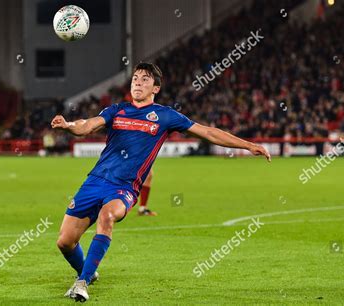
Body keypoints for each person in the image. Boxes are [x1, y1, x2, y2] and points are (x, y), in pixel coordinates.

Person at [51, 62, 271, 302]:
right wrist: (68, 125)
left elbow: (208, 132)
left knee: (108, 216)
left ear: (155, 88)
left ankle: (82, 282)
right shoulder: (117, 110)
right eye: (135, 78)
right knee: (65, 242)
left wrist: (248, 145)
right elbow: (87, 125)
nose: (137, 82)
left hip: (124, 187)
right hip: (95, 181)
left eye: (145, 79)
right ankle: (87, 272)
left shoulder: (165, 116)